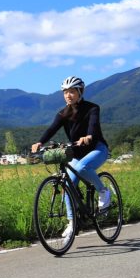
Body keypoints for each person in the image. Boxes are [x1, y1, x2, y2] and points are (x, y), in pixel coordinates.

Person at [31, 75, 111, 238]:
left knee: (82, 167)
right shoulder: (63, 113)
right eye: (65, 92)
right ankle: (72, 222)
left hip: (97, 149)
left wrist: (88, 136)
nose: (68, 95)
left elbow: (93, 125)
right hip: (76, 153)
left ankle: (103, 191)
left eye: (72, 91)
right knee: (68, 185)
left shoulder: (92, 108)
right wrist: (40, 142)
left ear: (80, 92)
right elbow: (52, 129)